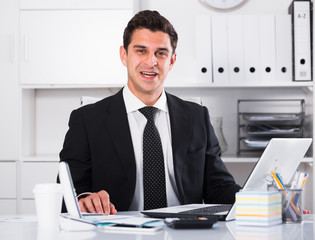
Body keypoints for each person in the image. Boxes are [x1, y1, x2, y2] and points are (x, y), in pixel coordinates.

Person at [59, 10, 241, 215]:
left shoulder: (196, 117)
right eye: (141, 51)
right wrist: (84, 199)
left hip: (184, 230)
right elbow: (68, 192)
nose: (151, 62)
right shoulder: (87, 120)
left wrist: (255, 200)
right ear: (124, 55)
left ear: (171, 61)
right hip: (117, 230)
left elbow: (218, 186)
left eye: (161, 53)